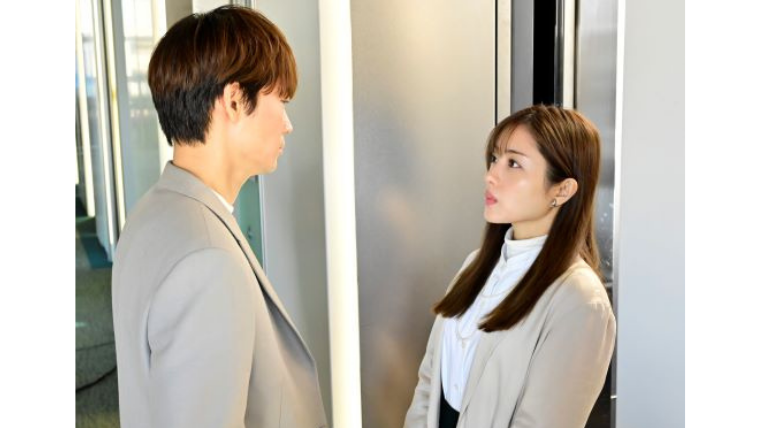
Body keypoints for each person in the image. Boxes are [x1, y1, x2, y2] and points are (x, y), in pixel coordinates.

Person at [111, 6, 327, 428]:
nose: (287, 124)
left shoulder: (153, 213)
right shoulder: (207, 261)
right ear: (233, 101)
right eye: (280, 100)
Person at [404, 105, 617, 428]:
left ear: (562, 190)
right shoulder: (475, 265)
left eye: (513, 163)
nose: (491, 175)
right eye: (494, 158)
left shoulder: (580, 300)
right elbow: (428, 385)